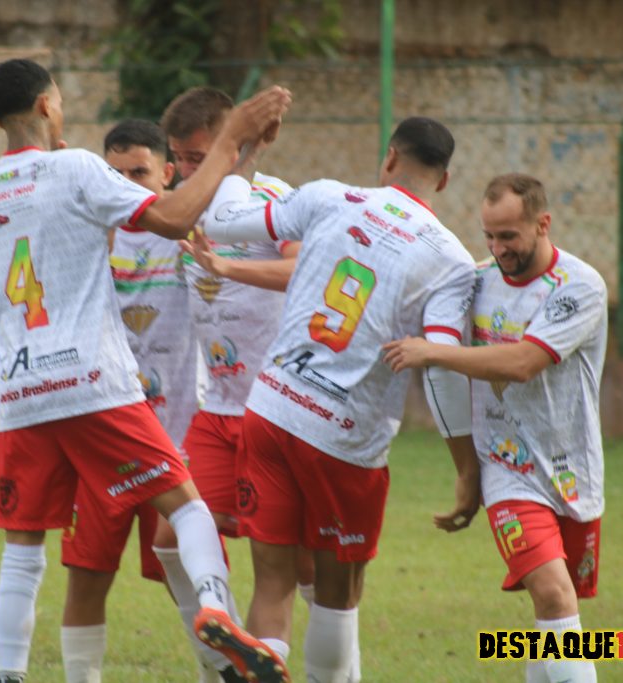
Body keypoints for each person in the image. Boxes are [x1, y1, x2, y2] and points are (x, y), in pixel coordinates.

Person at [0, 59, 292, 683]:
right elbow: (173, 218)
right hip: (92, 381)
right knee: (187, 507)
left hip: (21, 390)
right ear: (46, 105)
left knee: (23, 546)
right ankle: (215, 607)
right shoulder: (77, 167)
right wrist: (229, 141)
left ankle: (6, 674)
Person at [200, 116, 482, 682]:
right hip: (344, 437)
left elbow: (221, 222)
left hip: (272, 409)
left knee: (273, 578)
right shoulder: (451, 260)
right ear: (445, 180)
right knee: (336, 594)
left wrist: (246, 157)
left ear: (389, 158)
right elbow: (442, 366)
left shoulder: (328, 196)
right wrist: (466, 467)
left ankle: (267, 655)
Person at [383, 173, 606, 683]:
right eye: (489, 235)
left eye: (509, 236)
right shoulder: (476, 281)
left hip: (573, 471)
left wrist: (433, 351)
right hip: (507, 470)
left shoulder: (578, 287)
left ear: (543, 224)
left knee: (556, 610)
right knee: (554, 594)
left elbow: (524, 363)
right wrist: (468, 471)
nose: (497, 248)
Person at [154, 86, 308, 683]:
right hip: (215, 409)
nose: (187, 170)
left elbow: (304, 268)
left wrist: (229, 265)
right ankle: (226, 655)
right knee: (170, 537)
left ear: (233, 145)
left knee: (299, 568)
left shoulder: (273, 201)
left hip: (275, 411)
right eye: (180, 158)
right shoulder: (180, 210)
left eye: (199, 156)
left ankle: (327, 668)